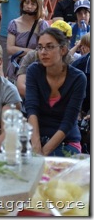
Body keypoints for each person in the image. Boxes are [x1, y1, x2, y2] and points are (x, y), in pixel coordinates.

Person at [25, 28, 86, 157]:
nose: (43, 52)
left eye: (49, 47)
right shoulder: (34, 71)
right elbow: (32, 109)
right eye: (40, 47)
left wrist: (44, 153)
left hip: (66, 141)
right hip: (35, 137)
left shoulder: (78, 78)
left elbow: (69, 121)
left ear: (63, 50)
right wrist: (36, 148)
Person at [16, 20, 74, 99]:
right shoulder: (32, 57)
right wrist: (43, 102)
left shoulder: (69, 60)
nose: (43, 52)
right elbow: (21, 87)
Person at [6, 0, 49, 83]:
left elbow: (44, 49)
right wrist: (33, 52)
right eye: (27, 2)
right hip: (16, 65)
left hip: (35, 65)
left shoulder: (42, 25)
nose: (29, 6)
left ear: (38, 6)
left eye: (33, 4)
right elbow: (10, 48)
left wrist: (22, 51)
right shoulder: (14, 23)